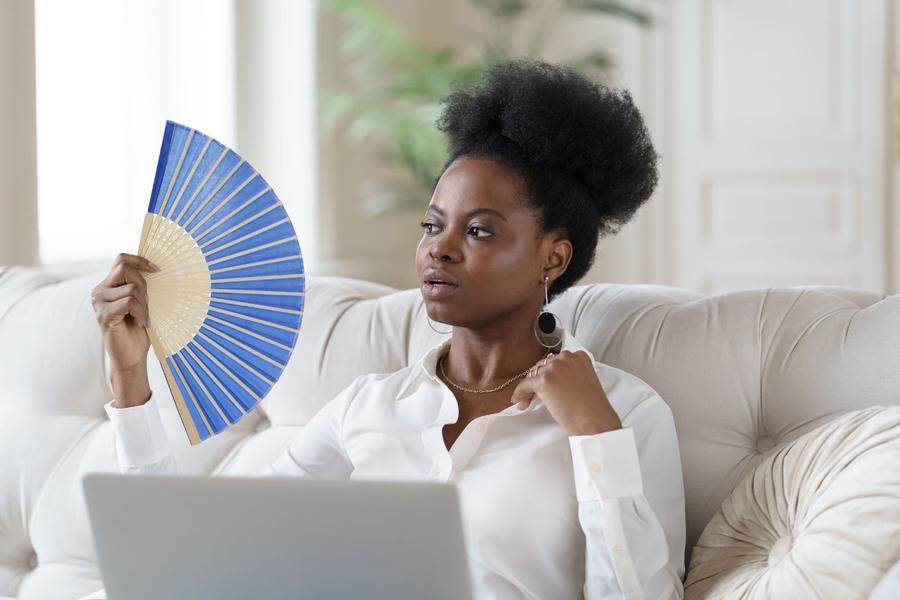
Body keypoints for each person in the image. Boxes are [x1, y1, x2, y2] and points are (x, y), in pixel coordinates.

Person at [90, 59, 686, 599]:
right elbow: (202, 559)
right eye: (432, 225)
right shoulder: (368, 406)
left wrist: (592, 430)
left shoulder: (625, 414)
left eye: (479, 231)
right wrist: (129, 376)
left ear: (552, 259)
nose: (439, 250)